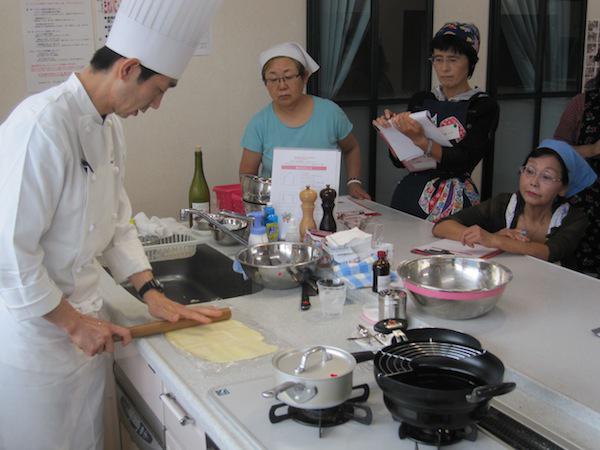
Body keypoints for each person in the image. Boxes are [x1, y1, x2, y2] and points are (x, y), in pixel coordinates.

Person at [0, 0, 223, 448]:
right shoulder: (41, 125)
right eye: (158, 90)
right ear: (129, 69)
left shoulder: (109, 127)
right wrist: (73, 324)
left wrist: (151, 292)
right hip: (40, 340)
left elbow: (119, 223)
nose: (157, 105)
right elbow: (10, 253)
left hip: (86, 326)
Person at [374, 22, 499, 221]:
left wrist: (422, 141)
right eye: (438, 59)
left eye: (453, 60)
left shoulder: (482, 105)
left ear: (471, 62)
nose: (444, 68)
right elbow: (399, 161)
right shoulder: (422, 99)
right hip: (411, 192)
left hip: (455, 200)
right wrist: (394, 131)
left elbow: (464, 160)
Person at [239, 42, 371, 200]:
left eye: (288, 77)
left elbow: (351, 148)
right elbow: (247, 176)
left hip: (324, 205)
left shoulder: (330, 113)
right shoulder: (259, 123)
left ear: (305, 77)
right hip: (276, 209)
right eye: (273, 79)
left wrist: (354, 182)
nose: (282, 86)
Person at [432, 140, 597, 263]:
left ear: (563, 188)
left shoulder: (574, 218)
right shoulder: (504, 203)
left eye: (546, 176)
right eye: (530, 171)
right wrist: (483, 236)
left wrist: (494, 240)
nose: (534, 182)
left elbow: (549, 252)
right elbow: (442, 226)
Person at [553, 62, 600, 277]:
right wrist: (592, 149)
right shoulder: (582, 103)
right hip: (585, 206)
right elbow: (555, 152)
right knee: (576, 276)